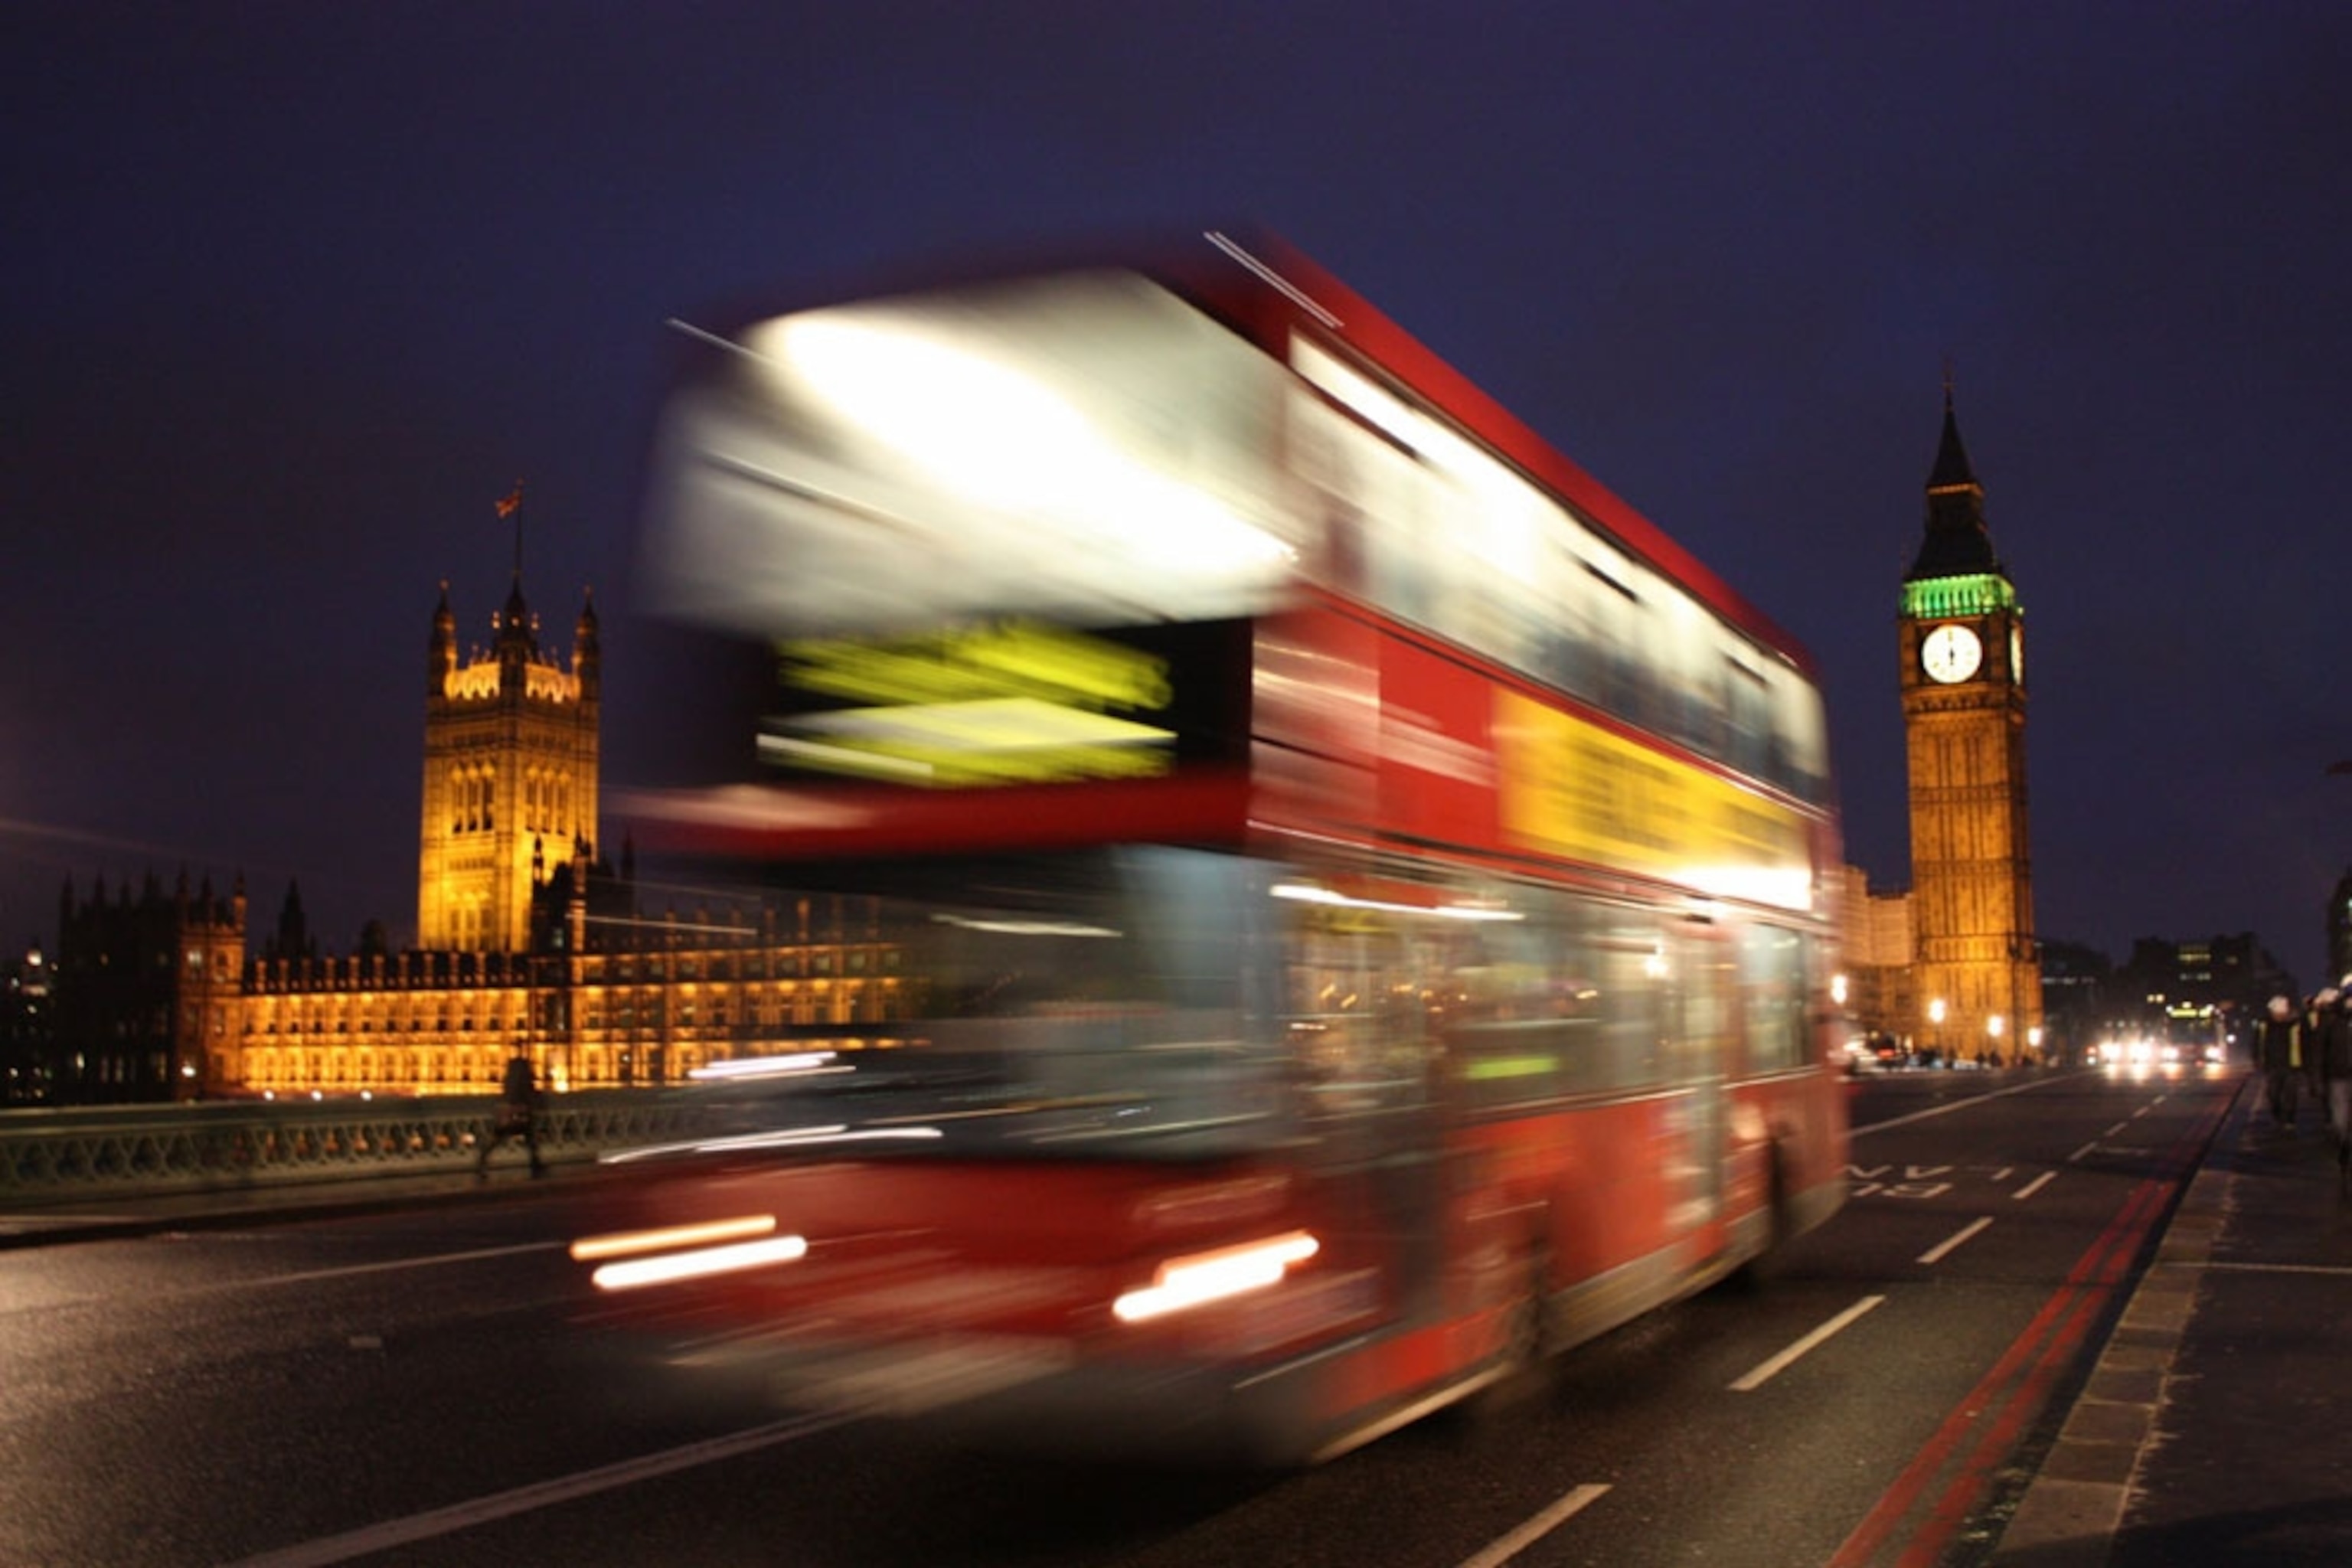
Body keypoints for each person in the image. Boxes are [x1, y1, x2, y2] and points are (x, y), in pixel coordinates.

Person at [477, 1052, 545, 1178]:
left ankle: (482, 1161)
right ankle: (536, 1164)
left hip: (511, 1115)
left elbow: (508, 1096)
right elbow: (529, 1096)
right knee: (529, 1140)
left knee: (521, 1139)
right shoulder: (522, 1081)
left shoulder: (510, 1081)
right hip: (517, 1115)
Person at [2255, 994, 2303, 1131]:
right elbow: (2257, 1043)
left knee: (2290, 1094)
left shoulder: (2295, 1025)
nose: (2277, 1015)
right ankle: (2278, 1116)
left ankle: (2289, 1119)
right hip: (2271, 1065)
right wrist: (2258, 1058)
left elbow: (2305, 1043)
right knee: (2273, 1093)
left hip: (2291, 1064)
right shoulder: (2264, 1025)